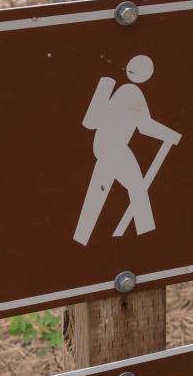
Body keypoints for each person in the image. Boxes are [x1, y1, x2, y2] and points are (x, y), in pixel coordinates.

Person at [74, 55, 181, 246]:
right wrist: (172, 135)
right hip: (114, 147)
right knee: (137, 188)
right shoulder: (131, 91)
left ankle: (80, 238)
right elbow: (145, 126)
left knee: (97, 192)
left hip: (103, 146)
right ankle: (147, 238)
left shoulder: (118, 90)